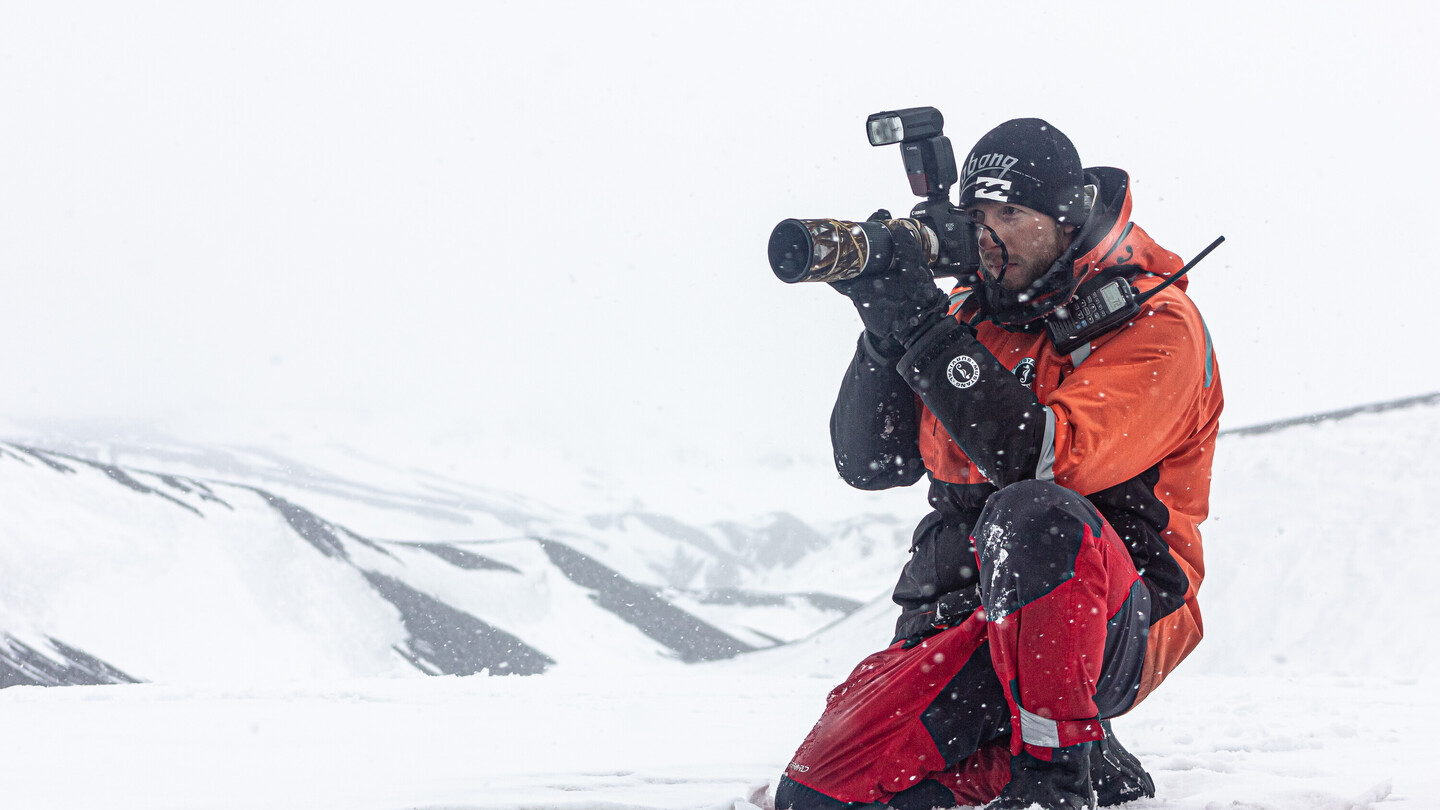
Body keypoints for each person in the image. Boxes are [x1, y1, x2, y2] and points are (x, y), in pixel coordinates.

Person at [774, 118, 1224, 810]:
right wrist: (883, 327)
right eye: (978, 214)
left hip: (1116, 617)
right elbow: (870, 462)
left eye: (1010, 214)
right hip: (963, 609)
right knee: (820, 795)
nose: (988, 235)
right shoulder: (966, 315)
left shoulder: (1155, 324)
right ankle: (1080, 761)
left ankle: (1053, 776)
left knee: (1032, 513)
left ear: (1065, 217)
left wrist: (924, 329)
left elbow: (1042, 464)